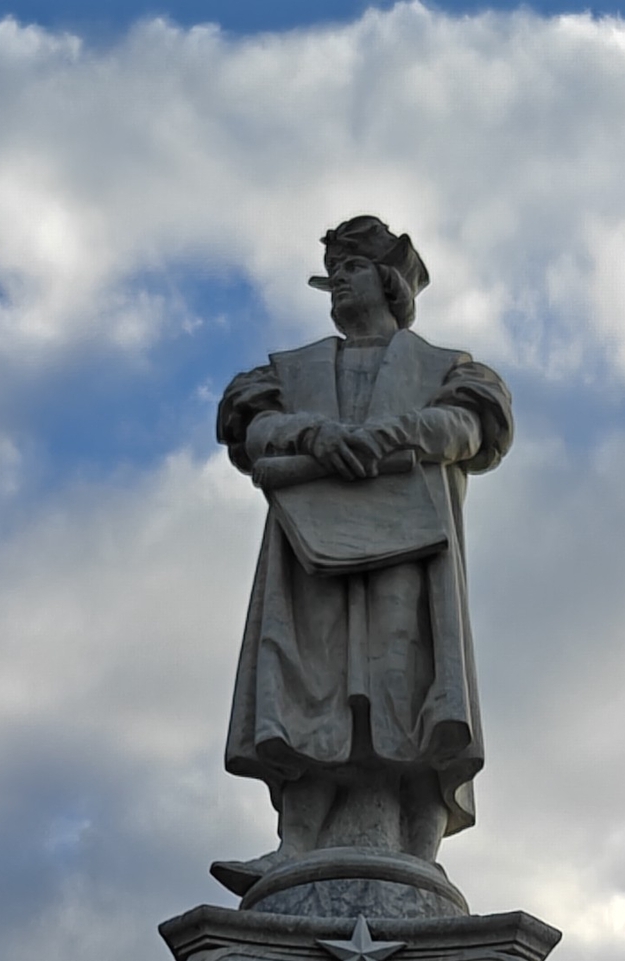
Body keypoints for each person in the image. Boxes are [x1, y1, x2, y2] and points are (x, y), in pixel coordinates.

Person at [216, 215, 514, 867]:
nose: (338, 286)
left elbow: (467, 427)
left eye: (351, 270)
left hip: (407, 544)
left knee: (406, 682)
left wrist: (390, 434)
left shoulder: (444, 368)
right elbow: (254, 429)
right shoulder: (288, 372)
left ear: (388, 281)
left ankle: (415, 850)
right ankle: (294, 846)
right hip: (310, 547)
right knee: (307, 674)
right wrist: (313, 436)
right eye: (334, 275)